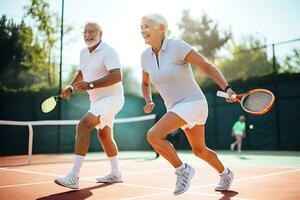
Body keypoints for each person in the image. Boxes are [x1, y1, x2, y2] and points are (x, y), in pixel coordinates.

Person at [140, 14, 236, 195]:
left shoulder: (177, 46)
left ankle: (182, 170)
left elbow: (206, 65)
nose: (143, 30)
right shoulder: (145, 57)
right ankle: (226, 173)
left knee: (153, 135)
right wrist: (148, 100)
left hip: (193, 103)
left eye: (147, 26)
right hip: (176, 108)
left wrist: (227, 88)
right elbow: (145, 83)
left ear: (161, 27)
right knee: (200, 150)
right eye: (141, 27)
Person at [54, 21, 125, 189]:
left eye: (92, 32)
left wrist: (90, 85)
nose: (88, 35)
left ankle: (73, 177)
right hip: (97, 101)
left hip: (112, 99)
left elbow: (117, 76)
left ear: (101, 34)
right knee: (105, 136)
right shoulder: (83, 53)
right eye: (85, 32)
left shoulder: (109, 51)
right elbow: (81, 73)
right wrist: (71, 87)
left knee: (84, 125)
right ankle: (116, 173)